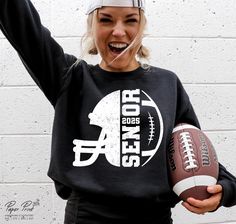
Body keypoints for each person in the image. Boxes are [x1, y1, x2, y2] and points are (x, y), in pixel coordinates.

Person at [0, 0, 236, 223]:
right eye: (106, 20)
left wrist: (225, 188)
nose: (119, 32)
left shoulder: (168, 83)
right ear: (92, 26)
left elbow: (190, 148)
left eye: (130, 20)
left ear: (142, 27)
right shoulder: (71, 79)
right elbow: (21, 22)